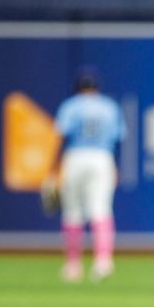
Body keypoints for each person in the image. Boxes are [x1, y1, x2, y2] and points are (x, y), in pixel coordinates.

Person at [54, 67, 126, 283]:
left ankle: (73, 265)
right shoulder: (109, 107)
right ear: (96, 87)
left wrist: (54, 168)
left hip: (75, 157)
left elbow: (60, 136)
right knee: (101, 210)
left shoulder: (71, 106)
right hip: (102, 158)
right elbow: (118, 139)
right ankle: (103, 262)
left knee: (72, 211)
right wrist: (116, 165)